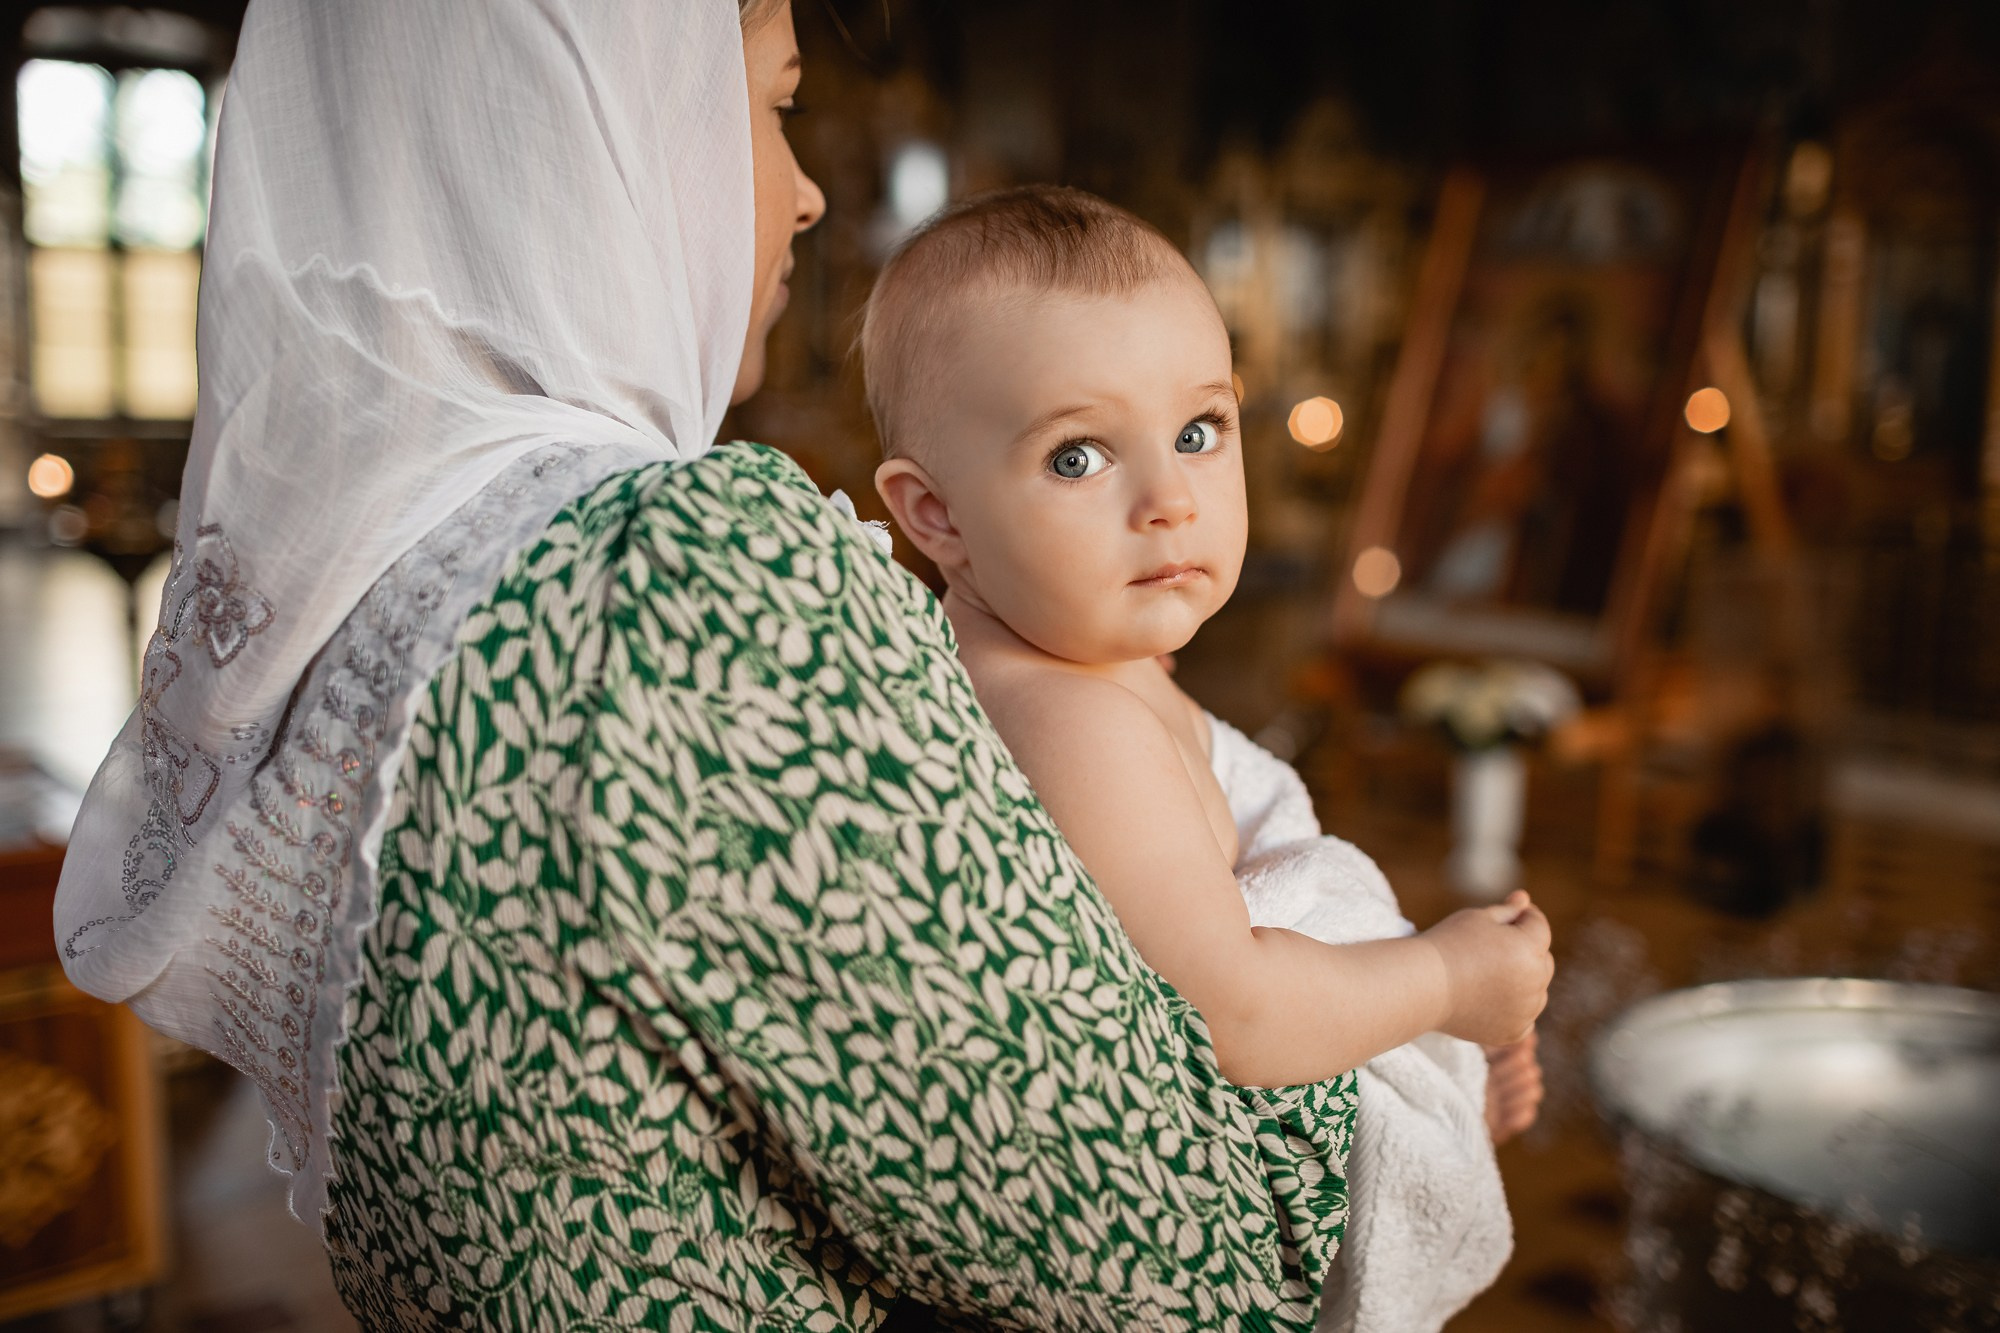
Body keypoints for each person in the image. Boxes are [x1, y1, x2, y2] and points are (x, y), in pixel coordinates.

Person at [54, 4, 1368, 1330]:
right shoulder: (678, 577)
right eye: (769, 103)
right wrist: (1339, 924)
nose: (802, 196)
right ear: (585, 126)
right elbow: (1203, 1258)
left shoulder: (373, 606)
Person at [864, 186, 1555, 1091]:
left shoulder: (1083, 658)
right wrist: (1448, 982)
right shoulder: (1074, 722)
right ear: (936, 515)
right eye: (1078, 456)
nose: (1172, 500)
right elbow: (1237, 1021)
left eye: (1198, 431)